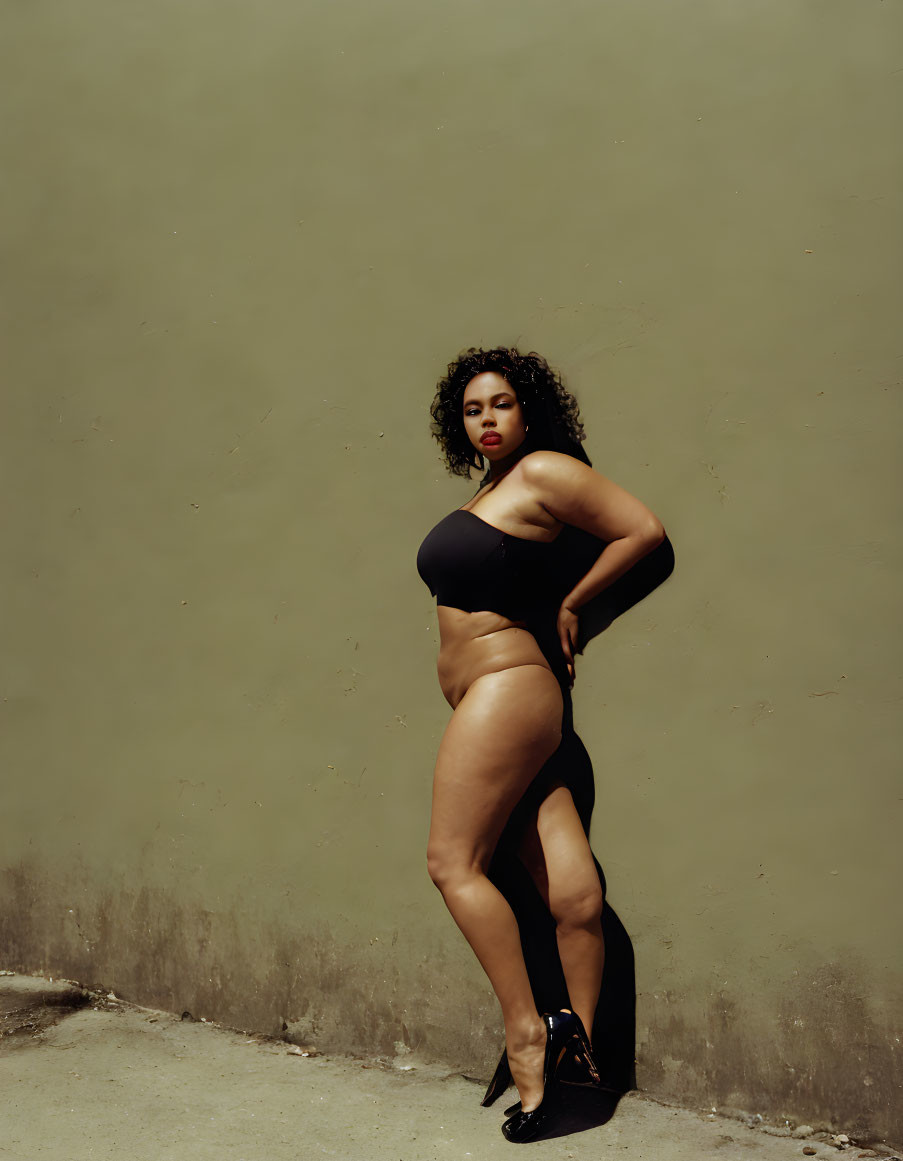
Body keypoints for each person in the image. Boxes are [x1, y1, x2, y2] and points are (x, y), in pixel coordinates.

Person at [416, 346, 666, 1143]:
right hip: (516, 701)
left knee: (452, 863)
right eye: (472, 410)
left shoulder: (544, 472)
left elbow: (641, 530)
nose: (487, 420)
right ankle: (580, 1062)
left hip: (505, 691)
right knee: (567, 885)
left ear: (530, 412)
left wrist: (573, 601)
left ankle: (526, 1032)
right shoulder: (496, 488)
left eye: (500, 405)